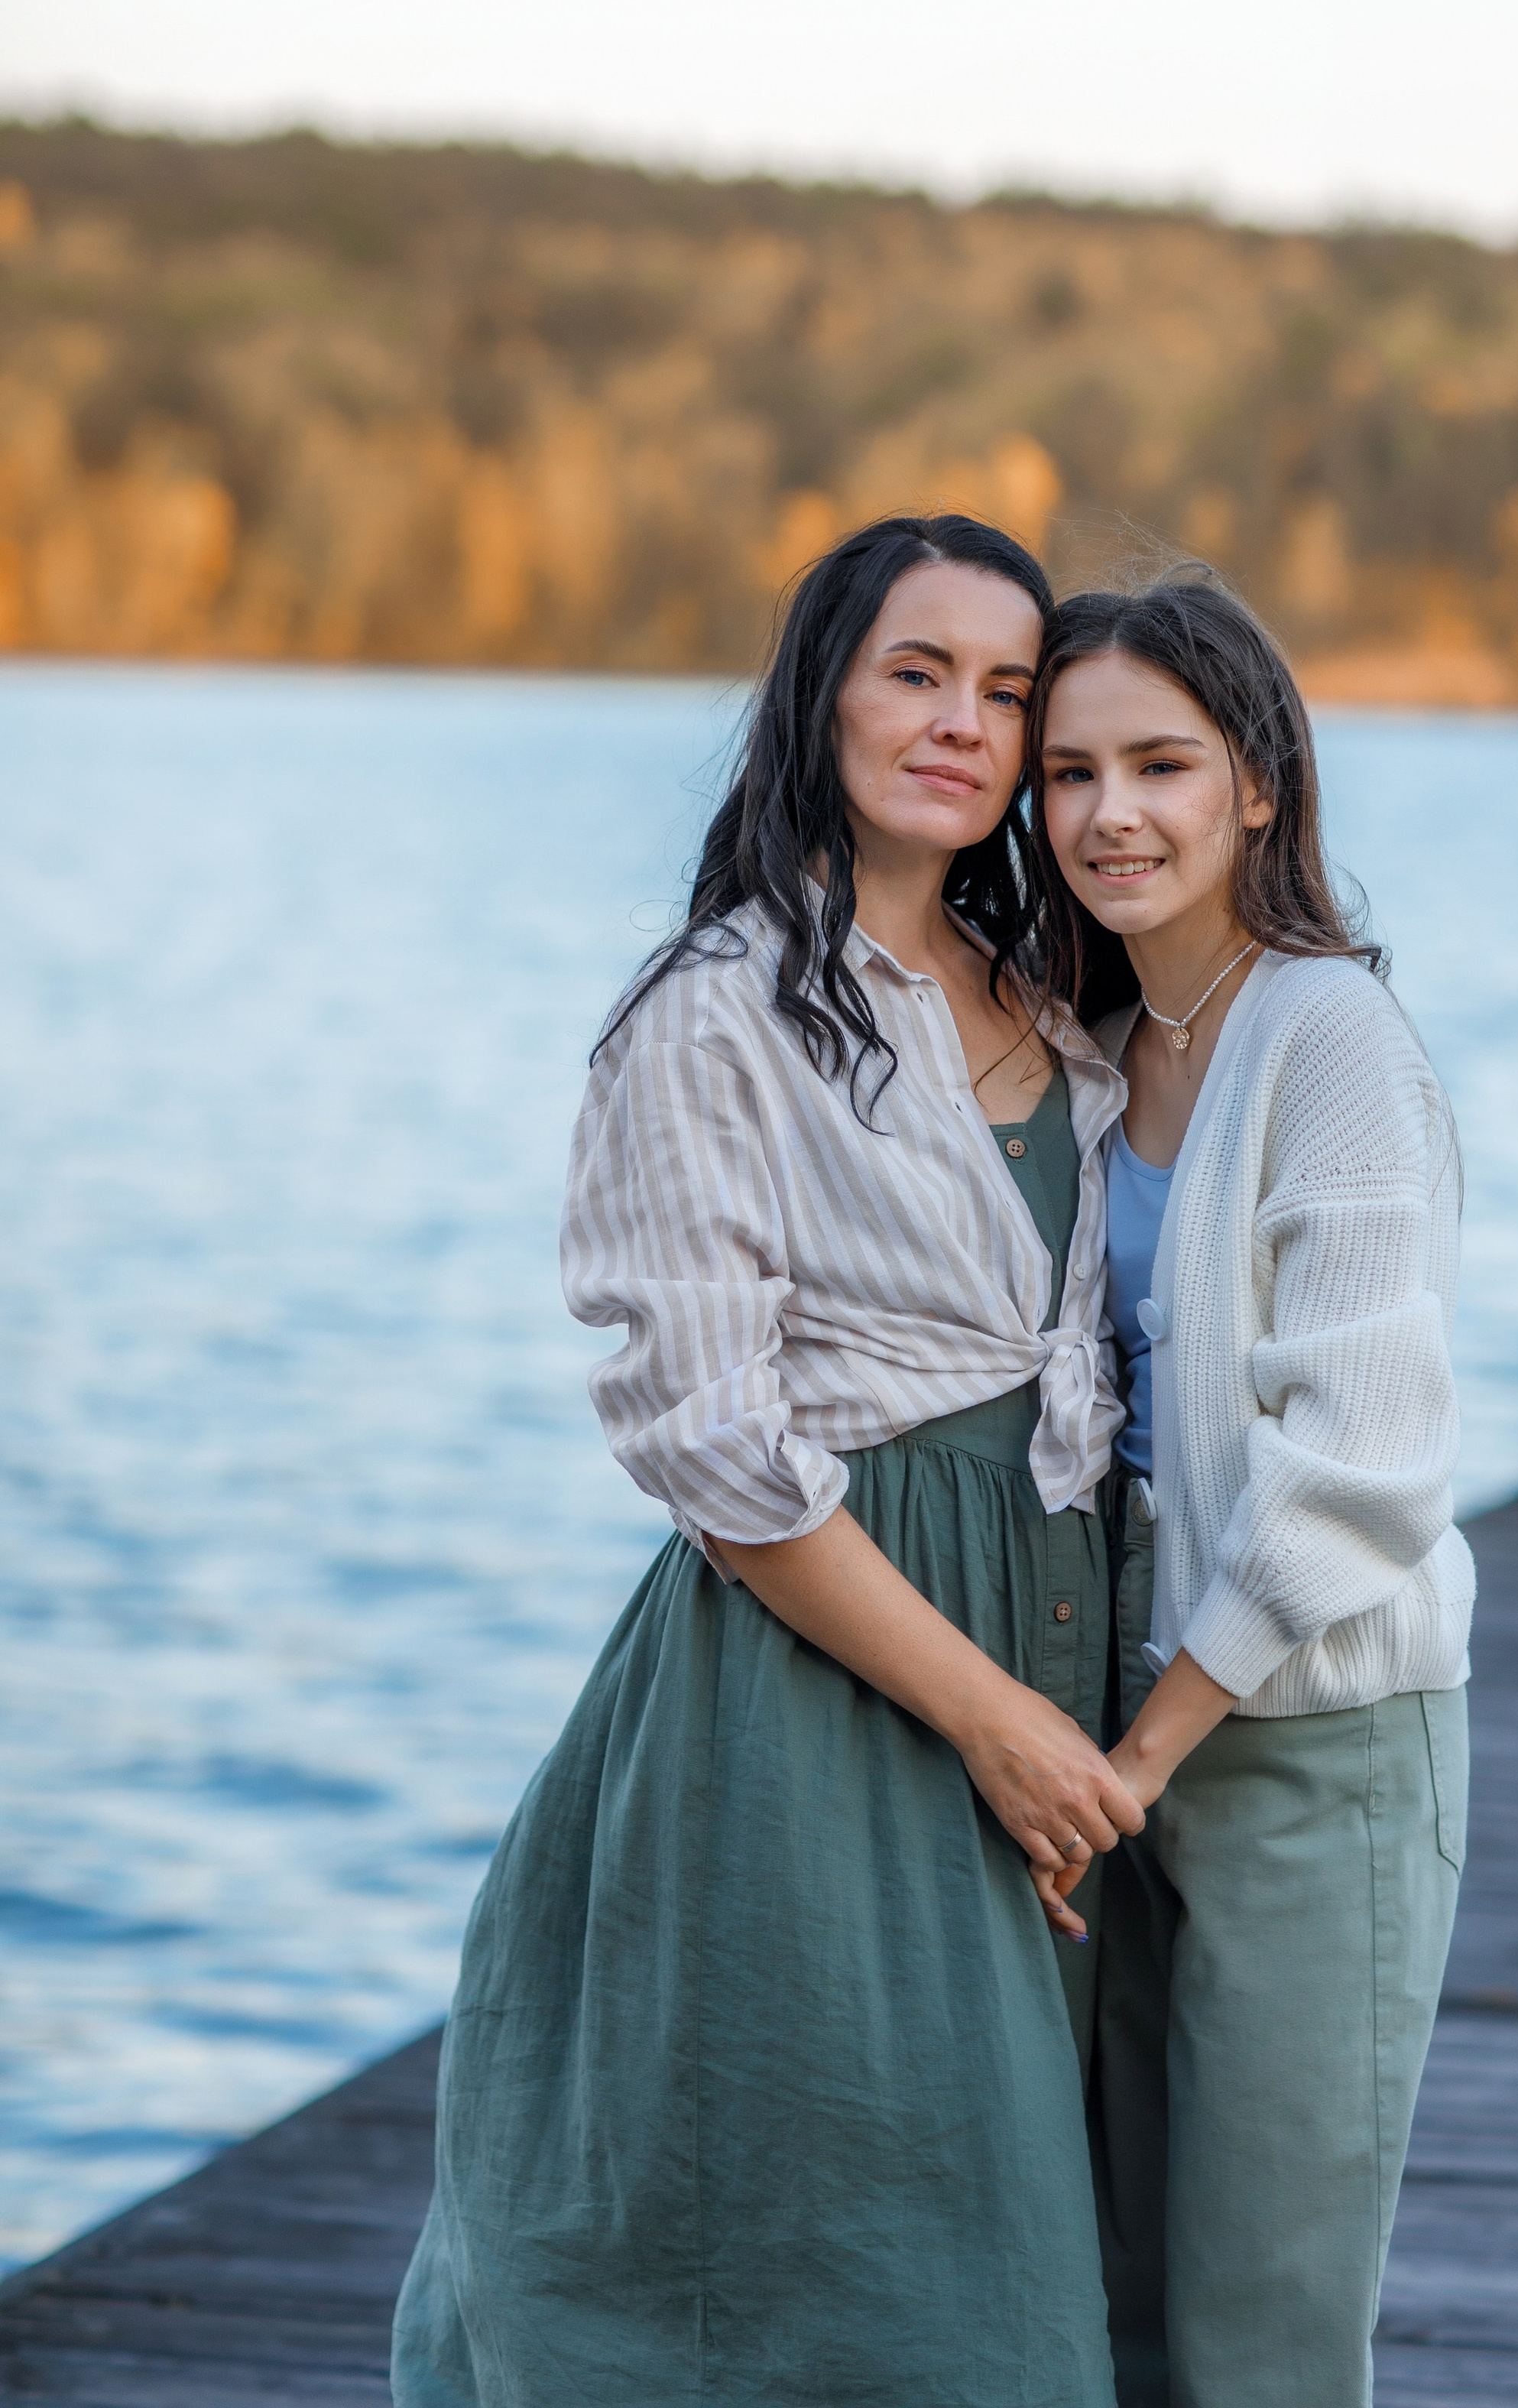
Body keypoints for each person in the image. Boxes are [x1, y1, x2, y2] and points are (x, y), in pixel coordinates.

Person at [392, 514, 1143, 2408]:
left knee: (1020, 2223)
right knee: (887, 2281)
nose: (963, 725)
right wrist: (988, 1718)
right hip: (830, 1694)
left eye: (1004, 692)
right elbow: (717, 1454)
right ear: (818, 692)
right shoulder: (712, 1016)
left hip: (1049, 1647)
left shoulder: (1052, 1006)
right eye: (916, 671)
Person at [1029, 573, 1473, 2408]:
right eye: (1067, 773)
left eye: (1159, 764)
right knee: (1118, 2305)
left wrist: (1137, 1759)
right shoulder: (1082, 1045)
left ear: (1257, 785)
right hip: (1110, 1731)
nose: (1108, 814)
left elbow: (1360, 1460)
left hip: (1302, 1744)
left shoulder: (1329, 1039)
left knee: (1263, 2335)